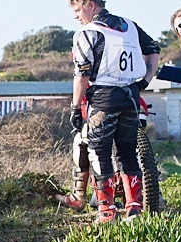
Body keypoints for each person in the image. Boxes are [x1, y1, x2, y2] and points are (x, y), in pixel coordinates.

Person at [68, 0, 160, 222]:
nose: (76, 16)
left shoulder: (87, 32)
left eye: (77, 10)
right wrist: (144, 82)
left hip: (103, 98)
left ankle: (107, 211)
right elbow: (154, 50)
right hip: (130, 97)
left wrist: (75, 106)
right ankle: (134, 208)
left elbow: (82, 74)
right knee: (128, 153)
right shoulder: (130, 26)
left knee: (100, 153)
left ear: (90, 5)